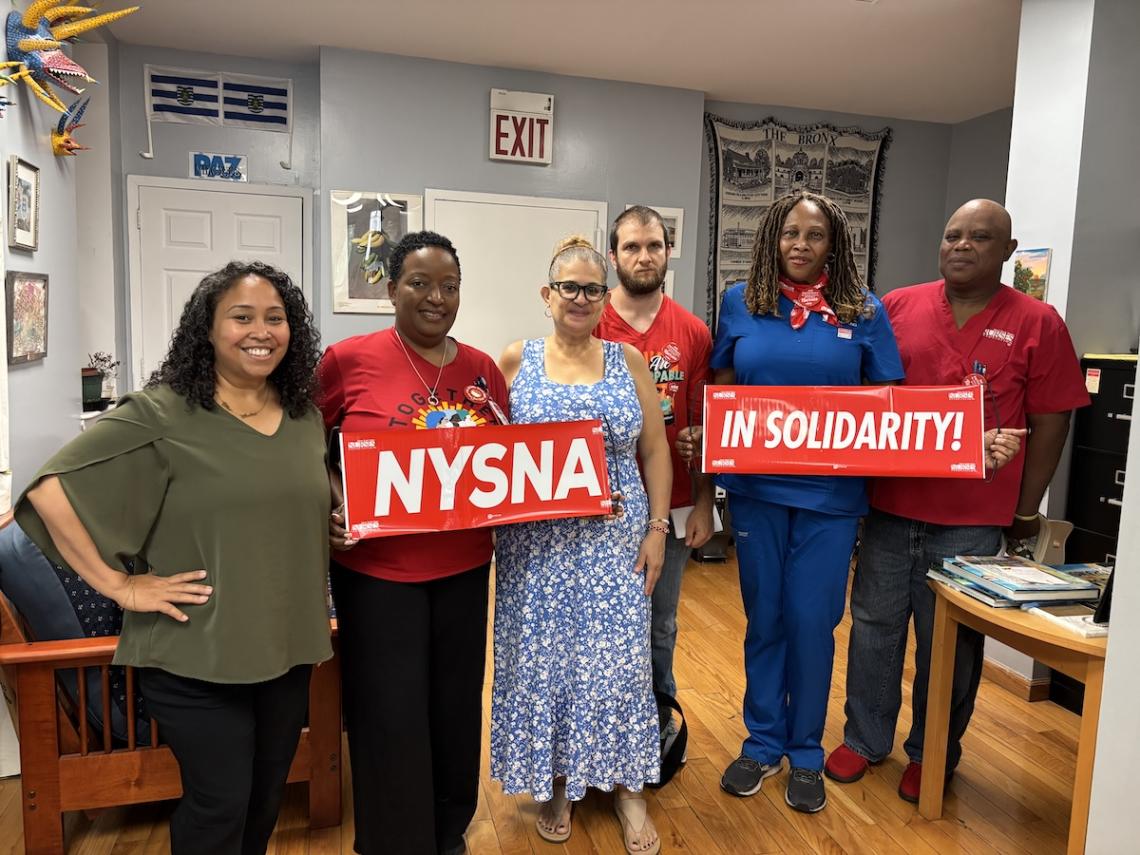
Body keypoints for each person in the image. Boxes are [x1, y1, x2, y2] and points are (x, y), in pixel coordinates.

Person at [15, 261, 332, 854]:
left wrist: (333, 528)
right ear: (207, 329)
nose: (261, 332)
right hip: (195, 655)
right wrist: (120, 585)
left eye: (275, 318)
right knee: (220, 806)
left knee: (264, 800)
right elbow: (47, 491)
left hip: (286, 650)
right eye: (241, 317)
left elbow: (287, 509)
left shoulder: (303, 416)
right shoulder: (161, 413)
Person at [825, 199, 1090, 803]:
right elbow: (866, 399)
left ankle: (933, 751)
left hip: (973, 521)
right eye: (952, 235)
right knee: (873, 629)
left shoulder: (1038, 322)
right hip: (892, 508)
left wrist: (1025, 511)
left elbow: (1052, 422)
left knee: (952, 643)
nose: (962, 245)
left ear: (1008, 251)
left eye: (980, 237)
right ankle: (865, 738)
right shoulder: (897, 307)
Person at [319, 231, 509, 855]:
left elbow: (510, 459)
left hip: (464, 567)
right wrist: (334, 501)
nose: (436, 298)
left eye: (449, 286)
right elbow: (306, 446)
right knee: (388, 712)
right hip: (377, 573)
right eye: (419, 283)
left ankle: (448, 832)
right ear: (392, 289)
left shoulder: (482, 369)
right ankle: (393, 842)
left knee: (455, 707)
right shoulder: (347, 360)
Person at [491, 236, 672, 855]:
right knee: (544, 661)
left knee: (620, 663)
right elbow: (484, 450)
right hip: (535, 547)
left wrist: (657, 531)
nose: (580, 297)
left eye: (593, 289)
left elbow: (655, 450)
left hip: (615, 543)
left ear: (605, 297)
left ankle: (628, 788)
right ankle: (559, 781)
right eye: (568, 286)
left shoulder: (629, 361)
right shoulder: (515, 359)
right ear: (547, 295)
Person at [595, 206, 714, 739]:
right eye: (632, 247)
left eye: (654, 246)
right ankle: (603, 728)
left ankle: (657, 723)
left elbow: (704, 424)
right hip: (604, 506)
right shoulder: (591, 322)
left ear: (668, 252)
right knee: (602, 623)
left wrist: (705, 503)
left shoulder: (693, 331)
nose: (644, 257)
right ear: (613, 256)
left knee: (659, 623)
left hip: (673, 504)